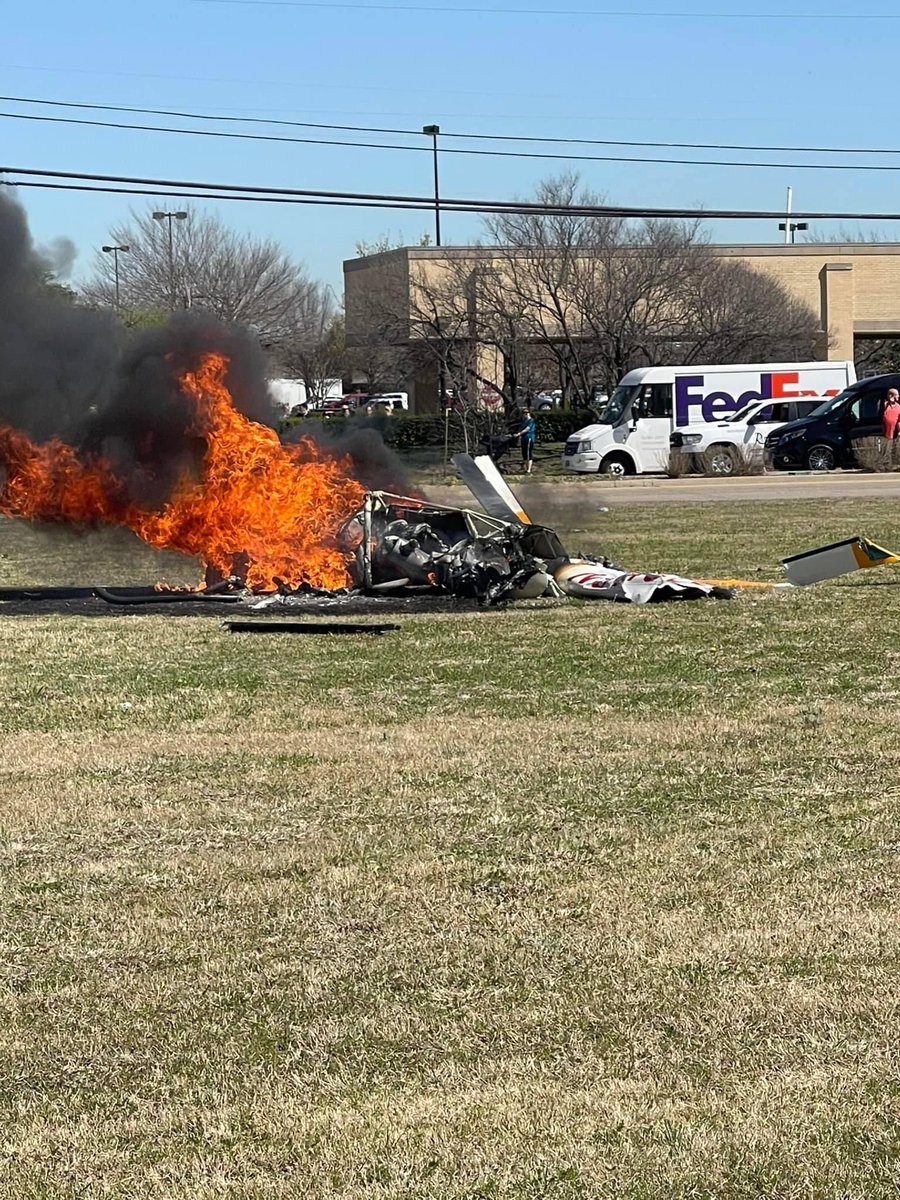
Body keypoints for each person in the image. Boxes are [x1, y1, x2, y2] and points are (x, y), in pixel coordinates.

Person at [516, 407, 536, 474]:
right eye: (524, 413)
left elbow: (527, 429)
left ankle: (529, 470)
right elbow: (520, 428)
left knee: (528, 454)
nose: (525, 414)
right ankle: (526, 468)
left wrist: (519, 433)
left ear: (529, 413)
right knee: (524, 454)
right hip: (523, 439)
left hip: (529, 438)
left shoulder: (531, 421)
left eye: (527, 412)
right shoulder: (523, 421)